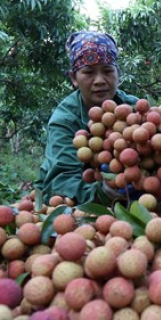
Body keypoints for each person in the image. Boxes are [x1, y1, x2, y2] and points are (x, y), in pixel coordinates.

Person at [35, 31, 138, 204]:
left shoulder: (134, 109)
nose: (99, 80)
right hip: (75, 200)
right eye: (89, 72)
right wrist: (102, 193)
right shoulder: (64, 119)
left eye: (107, 71)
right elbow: (60, 182)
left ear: (118, 74)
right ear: (74, 78)